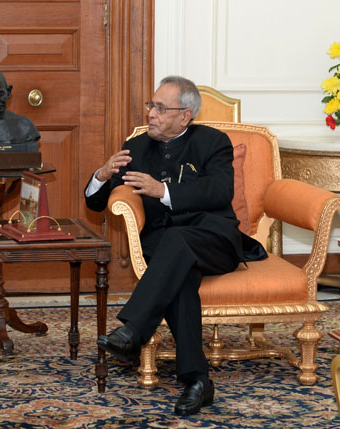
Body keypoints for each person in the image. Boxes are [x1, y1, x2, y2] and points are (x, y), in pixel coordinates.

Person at [85, 76, 266, 416]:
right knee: (180, 280)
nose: (151, 114)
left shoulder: (214, 142)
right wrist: (102, 175)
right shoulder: (136, 146)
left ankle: (134, 330)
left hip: (214, 240)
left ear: (185, 116)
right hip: (168, 252)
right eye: (151, 105)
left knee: (178, 241)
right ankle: (198, 381)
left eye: (160, 108)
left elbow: (219, 193)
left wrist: (162, 192)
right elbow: (95, 204)